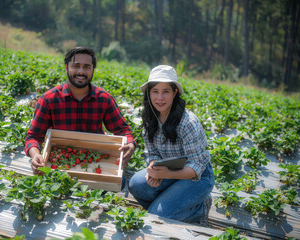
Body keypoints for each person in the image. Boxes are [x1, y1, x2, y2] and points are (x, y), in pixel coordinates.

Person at [25, 47, 136, 175]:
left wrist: (130, 144)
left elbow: (123, 130)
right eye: (76, 66)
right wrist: (35, 154)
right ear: (66, 67)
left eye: (87, 67)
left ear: (93, 70)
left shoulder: (104, 99)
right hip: (59, 162)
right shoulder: (48, 99)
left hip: (95, 162)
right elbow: (33, 137)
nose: (81, 71)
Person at [128, 65, 214, 225]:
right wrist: (153, 170)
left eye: (165, 91)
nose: (159, 98)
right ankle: (172, 207)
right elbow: (151, 154)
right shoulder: (149, 119)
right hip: (168, 171)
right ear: (149, 93)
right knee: (135, 184)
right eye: (155, 91)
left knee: (156, 214)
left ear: (175, 93)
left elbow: (197, 167)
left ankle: (199, 209)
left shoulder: (188, 123)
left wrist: (165, 174)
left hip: (198, 178)